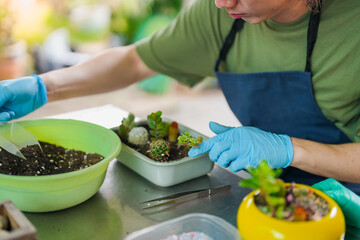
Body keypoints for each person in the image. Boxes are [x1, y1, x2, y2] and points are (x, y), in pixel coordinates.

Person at [0, 0, 359, 229]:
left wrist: (292, 149)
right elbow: (137, 59)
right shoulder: (222, 15)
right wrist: (44, 86)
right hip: (267, 197)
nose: (222, 1)